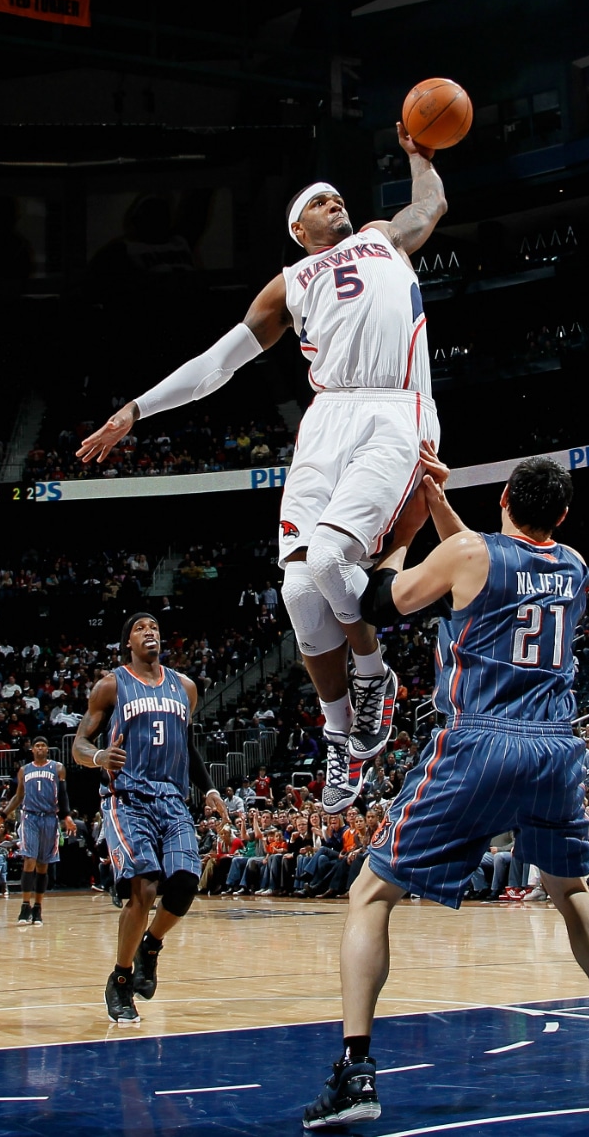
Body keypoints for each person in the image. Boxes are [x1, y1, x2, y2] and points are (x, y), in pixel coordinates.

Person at [77, 127, 448, 820]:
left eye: (338, 196)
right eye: (320, 201)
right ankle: (341, 734)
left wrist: (419, 157)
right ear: (298, 229)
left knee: (335, 555)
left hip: (394, 408)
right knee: (301, 588)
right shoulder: (291, 284)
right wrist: (136, 408)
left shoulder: (382, 237)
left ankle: (373, 671)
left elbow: (428, 206)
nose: (335, 202)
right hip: (327, 418)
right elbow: (218, 364)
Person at [302, 452, 589, 1130]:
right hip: (555, 745)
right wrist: (436, 494)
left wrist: (405, 528)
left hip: (479, 739)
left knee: (370, 892)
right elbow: (486, 562)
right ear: (561, 515)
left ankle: (355, 1070)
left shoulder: (469, 553)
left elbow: (385, 600)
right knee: (570, 888)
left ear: (502, 496)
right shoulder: (575, 565)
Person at [73, 612, 228, 1025]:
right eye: (141, 629)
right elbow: (80, 743)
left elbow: (187, 746)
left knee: (185, 883)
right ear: (129, 642)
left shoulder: (185, 688)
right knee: (144, 886)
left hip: (172, 798)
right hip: (127, 797)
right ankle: (121, 981)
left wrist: (210, 788)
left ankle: (151, 946)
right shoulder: (111, 685)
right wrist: (99, 758)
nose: (150, 632)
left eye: (155, 627)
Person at [0, 735, 76, 926]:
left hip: (49, 818)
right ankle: (25, 905)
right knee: (29, 860)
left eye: (43, 746)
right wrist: (3, 815)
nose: (39, 748)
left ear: (47, 749)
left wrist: (67, 816)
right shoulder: (24, 770)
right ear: (32, 749)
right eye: (36, 745)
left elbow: (63, 795)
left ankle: (38, 907)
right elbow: (18, 796)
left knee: (42, 865)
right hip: (29, 817)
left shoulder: (57, 768)